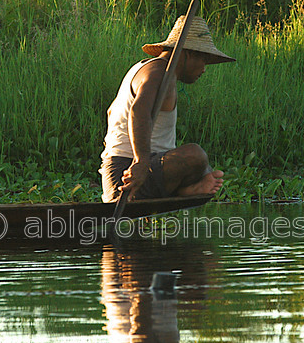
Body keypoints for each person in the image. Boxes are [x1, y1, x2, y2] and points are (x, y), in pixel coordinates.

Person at [99, 14, 235, 202]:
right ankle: (178, 189)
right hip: (127, 177)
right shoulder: (159, 73)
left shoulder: (149, 69)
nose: (204, 69)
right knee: (195, 155)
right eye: (204, 60)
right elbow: (139, 111)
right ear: (188, 53)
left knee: (205, 170)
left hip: (142, 168)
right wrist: (141, 162)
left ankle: (184, 189)